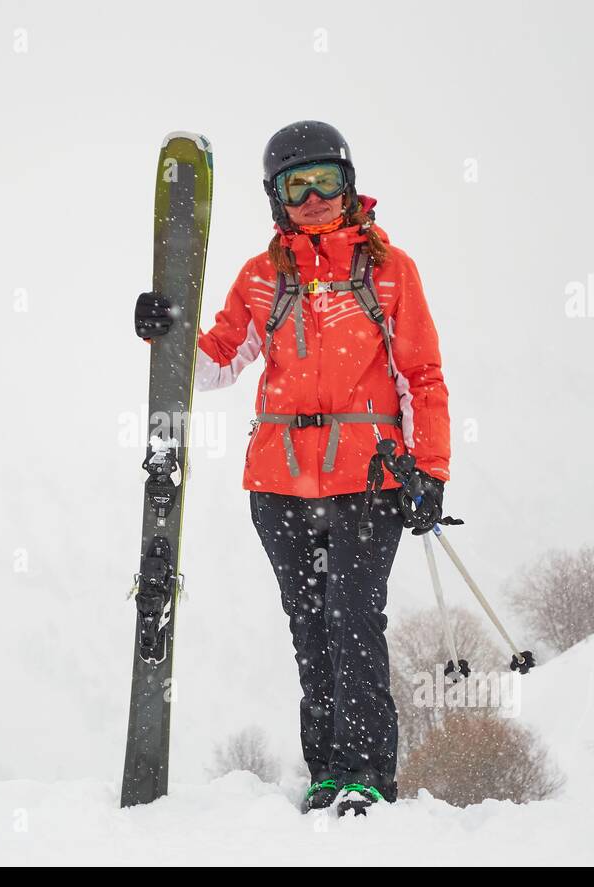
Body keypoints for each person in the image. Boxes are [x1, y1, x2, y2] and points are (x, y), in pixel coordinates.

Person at [134, 121, 451, 815]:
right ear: (275, 197)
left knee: (353, 620)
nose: (312, 197)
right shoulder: (261, 278)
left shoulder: (388, 272)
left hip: (368, 482)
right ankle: (328, 774)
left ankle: (368, 775)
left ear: (349, 183)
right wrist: (168, 328)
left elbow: (421, 376)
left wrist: (429, 471)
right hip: (278, 488)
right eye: (295, 185)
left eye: (324, 181)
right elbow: (216, 363)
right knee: (309, 627)